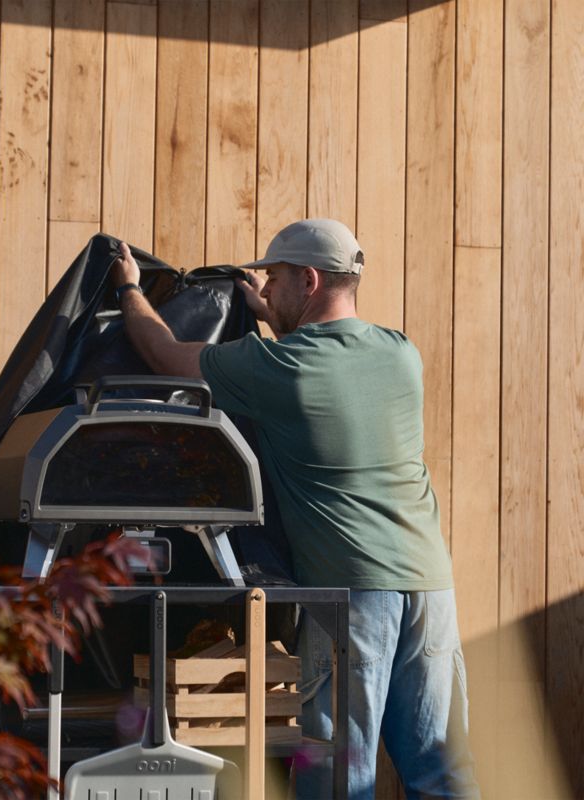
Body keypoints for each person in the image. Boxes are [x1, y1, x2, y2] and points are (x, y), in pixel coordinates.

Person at [110, 219, 479, 799]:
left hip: (354, 594)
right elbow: (327, 366)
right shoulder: (400, 354)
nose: (267, 288)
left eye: (275, 278)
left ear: (308, 280)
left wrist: (130, 289)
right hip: (431, 588)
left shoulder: (277, 368)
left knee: (340, 780)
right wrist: (268, 312)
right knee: (440, 774)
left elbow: (163, 353)